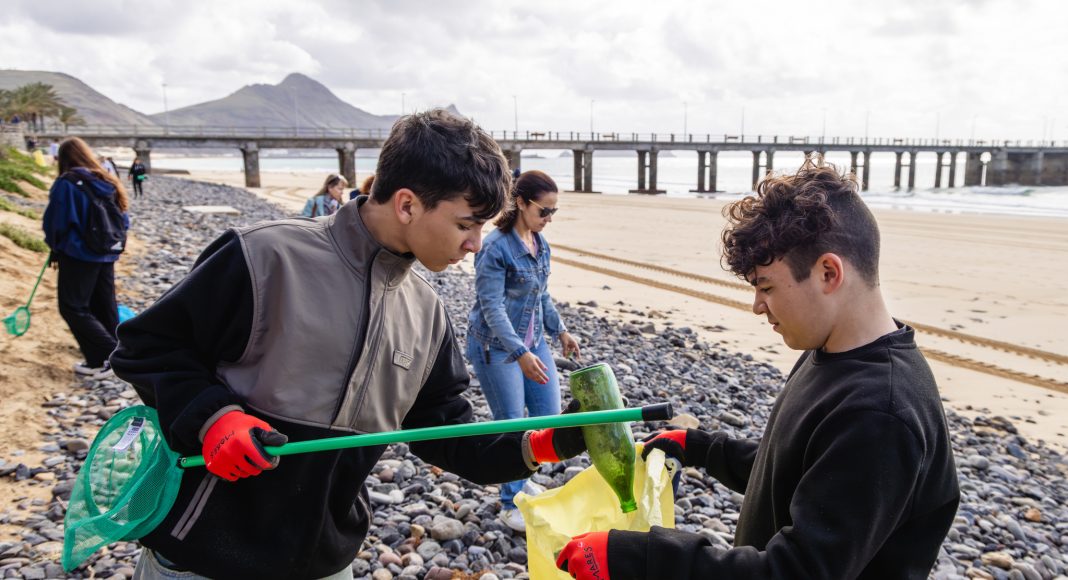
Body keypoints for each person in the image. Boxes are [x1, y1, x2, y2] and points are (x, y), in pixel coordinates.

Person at [109, 109, 587, 580]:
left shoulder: (426, 313)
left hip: (325, 565)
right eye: (466, 225)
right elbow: (148, 346)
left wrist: (547, 443)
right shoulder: (266, 256)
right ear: (407, 205)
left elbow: (447, 432)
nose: (475, 244)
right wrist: (214, 418)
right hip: (201, 560)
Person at [555, 159, 961, 579]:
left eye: (766, 286)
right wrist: (704, 449)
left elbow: (797, 571)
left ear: (828, 273)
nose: (757, 306)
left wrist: (640, 558)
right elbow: (794, 473)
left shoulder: (880, 414)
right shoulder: (830, 352)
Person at [466, 169, 581, 532]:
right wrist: (519, 353)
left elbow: (541, 295)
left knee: (547, 418)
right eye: (544, 211)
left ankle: (521, 477)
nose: (549, 218)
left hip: (533, 343)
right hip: (496, 348)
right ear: (520, 202)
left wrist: (560, 331)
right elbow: (491, 307)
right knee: (513, 424)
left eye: (554, 211)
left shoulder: (540, 244)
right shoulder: (496, 247)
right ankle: (509, 501)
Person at [42, 137, 130, 380]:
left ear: (63, 158)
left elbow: (57, 222)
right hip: (107, 250)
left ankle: (110, 357)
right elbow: (124, 218)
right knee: (104, 304)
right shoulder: (106, 179)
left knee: (73, 307)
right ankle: (108, 359)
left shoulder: (67, 182)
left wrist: (55, 247)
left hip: (79, 253)